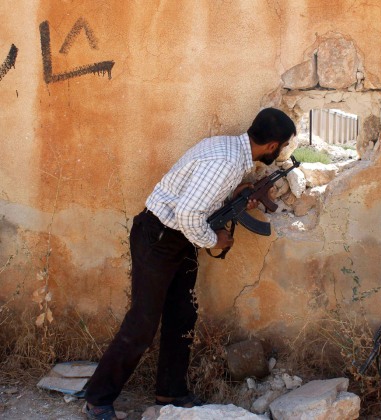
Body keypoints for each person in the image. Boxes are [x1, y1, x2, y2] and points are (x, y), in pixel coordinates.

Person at [84, 108, 296, 419]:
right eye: (283, 148)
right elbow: (186, 214)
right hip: (159, 237)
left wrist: (234, 196)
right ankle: (98, 399)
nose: (280, 155)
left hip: (178, 238)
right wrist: (216, 240)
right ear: (272, 145)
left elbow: (199, 199)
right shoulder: (225, 163)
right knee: (142, 323)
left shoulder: (228, 150)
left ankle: (170, 393)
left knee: (182, 314)